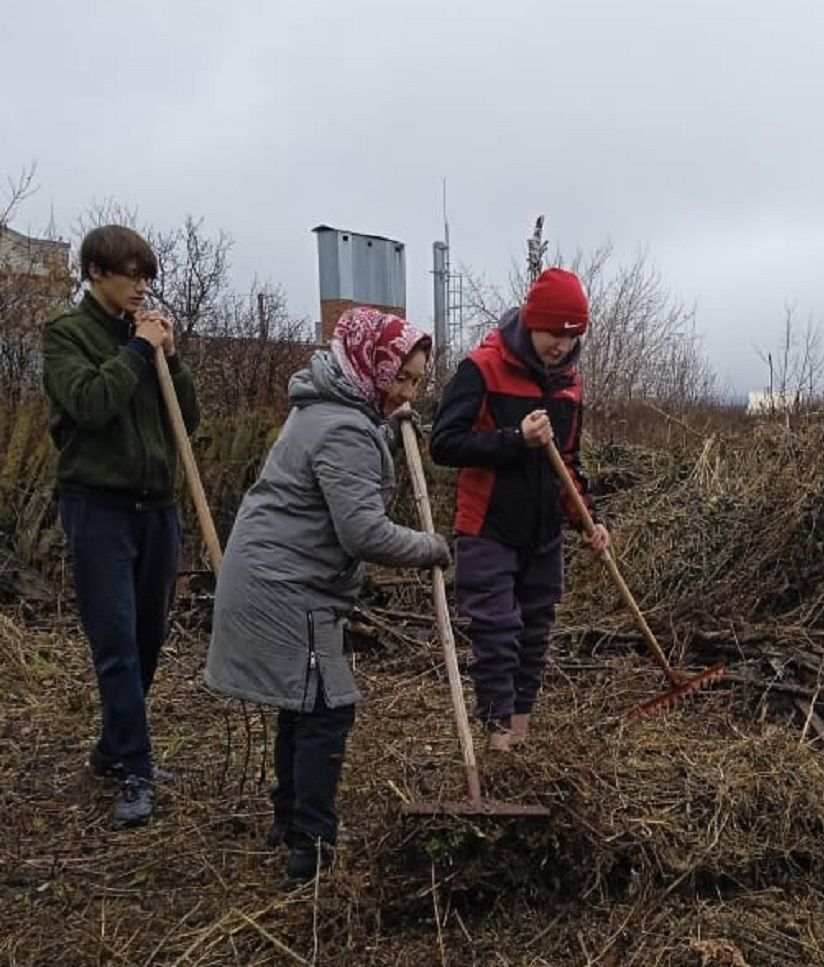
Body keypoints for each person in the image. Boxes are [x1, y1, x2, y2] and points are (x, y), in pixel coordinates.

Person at [204, 307, 450, 883]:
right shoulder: (342, 427)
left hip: (270, 574)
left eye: (415, 380)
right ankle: (311, 850)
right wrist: (432, 546)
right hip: (287, 587)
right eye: (402, 377)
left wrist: (388, 430)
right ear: (372, 367)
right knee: (328, 710)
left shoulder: (328, 409)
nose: (408, 390)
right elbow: (362, 532)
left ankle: (290, 822)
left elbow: (343, 470)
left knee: (304, 702)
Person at [42, 225, 197, 826]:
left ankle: (112, 747)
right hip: (98, 507)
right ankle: (135, 766)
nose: (141, 286)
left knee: (148, 638)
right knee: (116, 646)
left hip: (156, 506)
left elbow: (187, 418)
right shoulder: (66, 336)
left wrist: (172, 359)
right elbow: (90, 404)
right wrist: (137, 352)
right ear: (95, 273)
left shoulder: (148, 339)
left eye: (147, 275)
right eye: (130, 274)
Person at [430, 267, 610, 752]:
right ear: (532, 321)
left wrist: (587, 520)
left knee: (535, 629)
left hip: (542, 532)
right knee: (497, 632)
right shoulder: (482, 368)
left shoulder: (570, 386)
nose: (562, 346)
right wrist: (516, 439)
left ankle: (521, 733)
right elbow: (444, 444)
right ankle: (496, 736)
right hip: (486, 526)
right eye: (555, 333)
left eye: (573, 338)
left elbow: (566, 462)